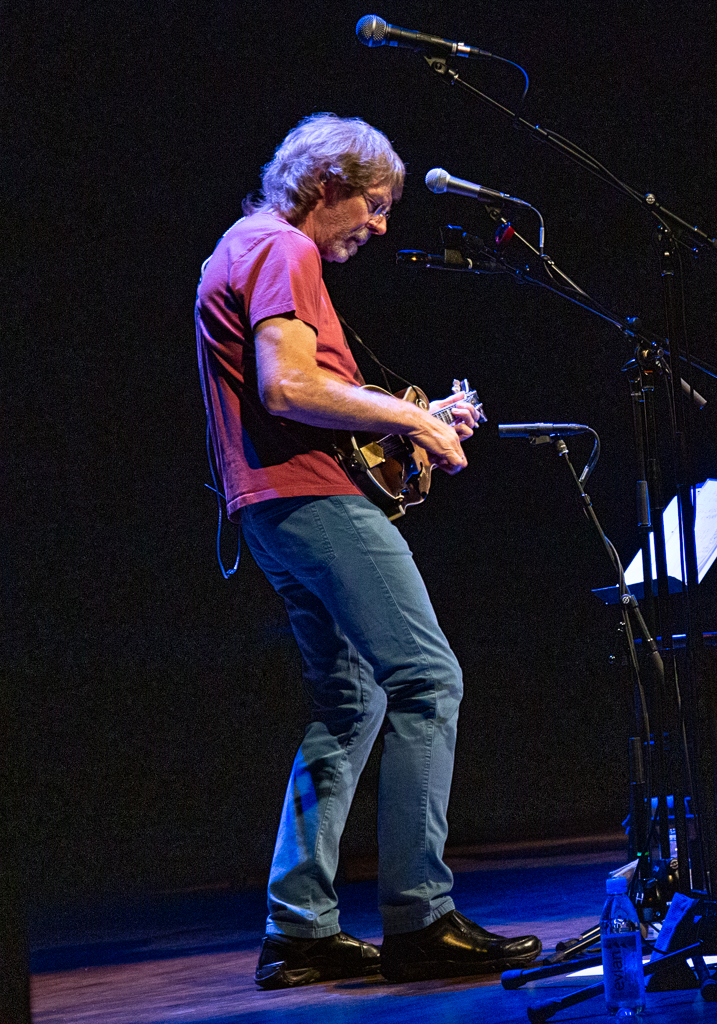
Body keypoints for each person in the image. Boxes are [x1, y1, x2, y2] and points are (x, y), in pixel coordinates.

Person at [196, 113, 540, 988]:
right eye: (375, 205)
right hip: (312, 502)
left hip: (271, 509)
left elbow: (303, 399)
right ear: (326, 187)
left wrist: (410, 427)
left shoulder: (240, 247)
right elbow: (290, 385)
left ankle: (300, 931)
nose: (380, 226)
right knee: (429, 680)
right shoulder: (283, 249)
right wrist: (414, 415)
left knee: (349, 706)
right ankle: (420, 918)